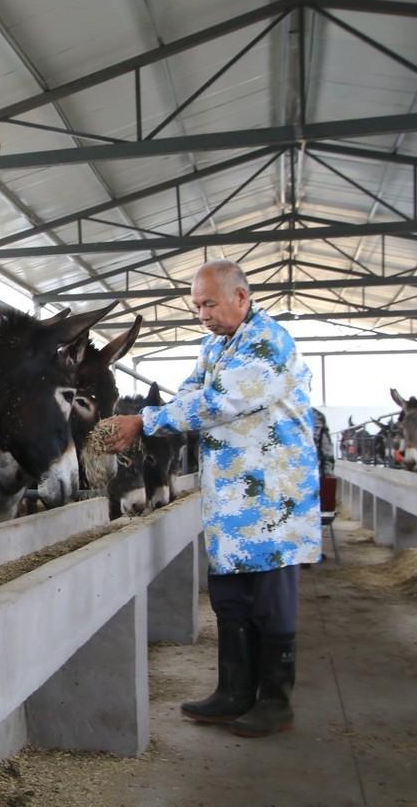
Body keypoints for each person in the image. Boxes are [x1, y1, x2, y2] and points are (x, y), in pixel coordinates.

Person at [104, 259, 321, 738]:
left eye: (209, 303)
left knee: (269, 599)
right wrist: (158, 413)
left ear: (241, 298)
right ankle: (234, 692)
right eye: (196, 304)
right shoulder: (215, 345)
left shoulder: (267, 341)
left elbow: (219, 402)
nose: (201, 313)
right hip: (230, 497)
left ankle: (275, 701)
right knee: (230, 597)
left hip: (271, 499)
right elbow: (190, 391)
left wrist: (145, 421)